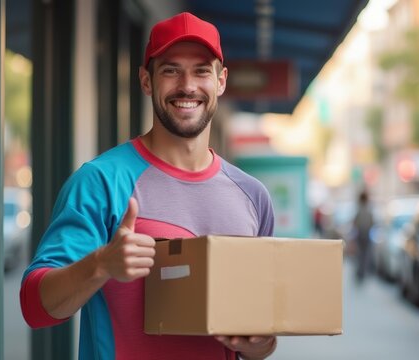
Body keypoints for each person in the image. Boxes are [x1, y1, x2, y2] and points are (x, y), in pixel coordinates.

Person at [19, 12, 277, 360]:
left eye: (201, 70)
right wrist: (101, 264)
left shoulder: (253, 197)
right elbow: (35, 307)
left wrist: (261, 343)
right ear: (145, 80)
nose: (187, 85)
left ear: (221, 81)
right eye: (171, 70)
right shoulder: (100, 181)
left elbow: (260, 337)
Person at [352, 189, 373, 282]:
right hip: (366, 234)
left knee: (360, 254)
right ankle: (362, 272)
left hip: (360, 234)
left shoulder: (359, 210)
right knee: (365, 254)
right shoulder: (369, 210)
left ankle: (360, 272)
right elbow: (372, 222)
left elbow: (355, 223)